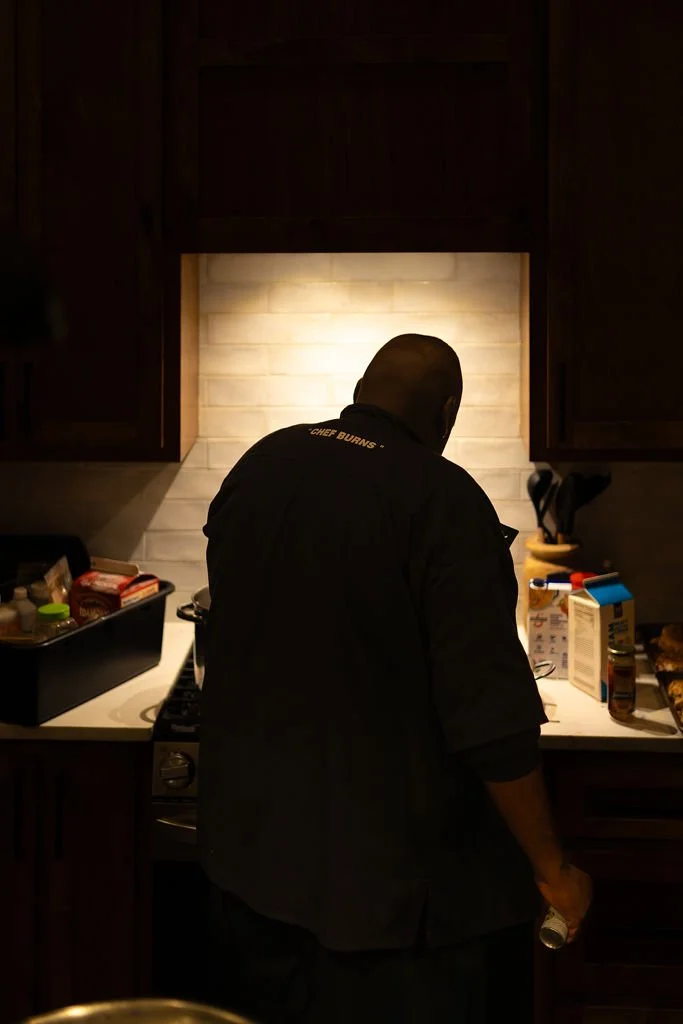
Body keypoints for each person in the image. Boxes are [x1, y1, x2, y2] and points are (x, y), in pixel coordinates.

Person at [199, 334, 592, 1023]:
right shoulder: (440, 499)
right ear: (445, 411)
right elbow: (490, 719)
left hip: (252, 871)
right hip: (386, 905)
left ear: (361, 389)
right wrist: (552, 869)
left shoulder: (260, 464)